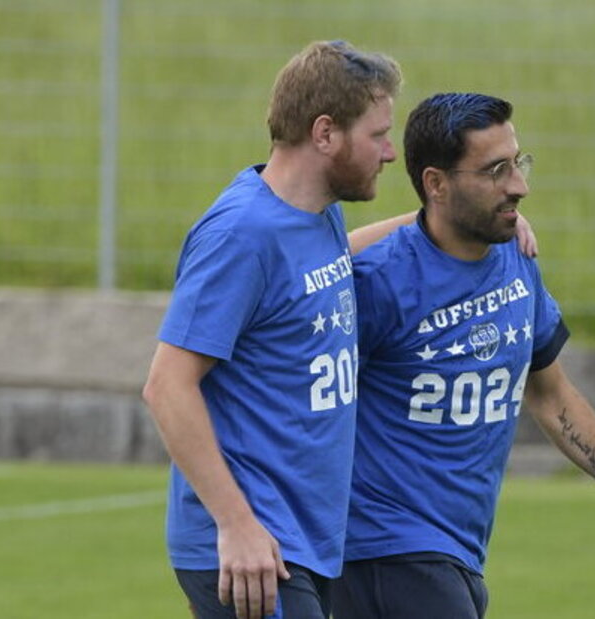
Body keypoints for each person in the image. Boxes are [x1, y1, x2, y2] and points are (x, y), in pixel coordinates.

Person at [335, 93, 595, 619]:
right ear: (436, 184)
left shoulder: (516, 258)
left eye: (518, 163)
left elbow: (551, 394)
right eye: (496, 171)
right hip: (384, 550)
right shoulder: (377, 284)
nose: (519, 186)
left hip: (457, 553)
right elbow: (290, 340)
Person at [141, 40, 402, 619]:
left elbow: (314, 272)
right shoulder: (242, 235)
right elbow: (166, 386)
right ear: (326, 133)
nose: (390, 152)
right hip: (251, 549)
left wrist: (445, 220)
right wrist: (236, 526)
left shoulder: (316, 216)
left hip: (302, 542)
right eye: (378, 134)